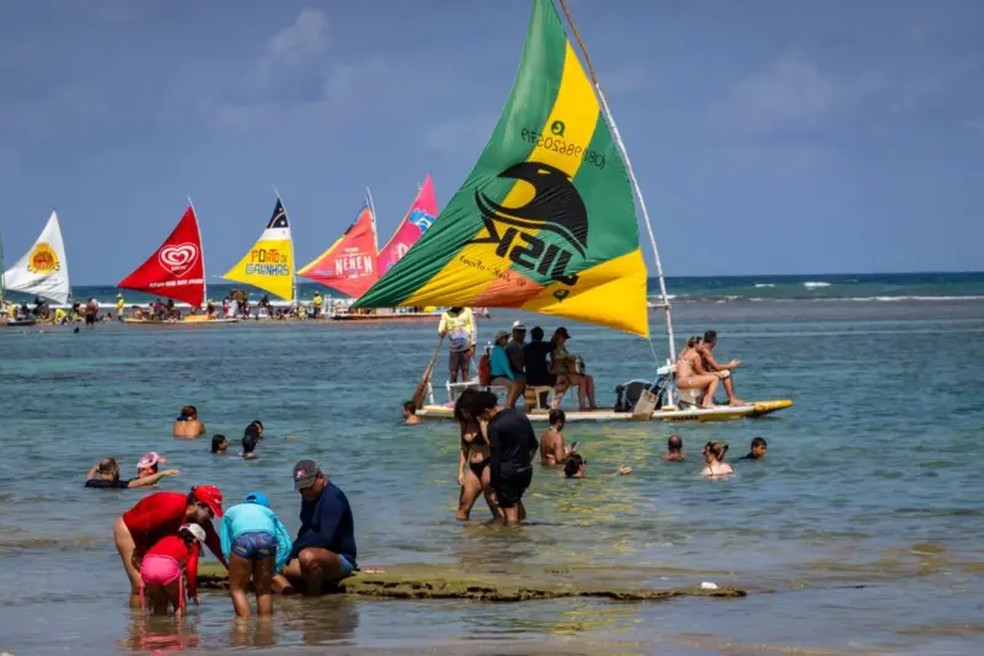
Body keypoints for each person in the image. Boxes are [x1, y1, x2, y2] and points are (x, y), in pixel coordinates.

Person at [114, 486, 227, 608]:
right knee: (140, 585)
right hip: (131, 530)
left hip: (152, 534)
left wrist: (231, 567)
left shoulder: (201, 522)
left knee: (163, 584)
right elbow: (144, 527)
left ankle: (159, 622)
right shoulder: (173, 506)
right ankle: (138, 623)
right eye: (210, 513)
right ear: (198, 504)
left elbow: (217, 546)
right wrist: (141, 555)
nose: (211, 518)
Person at [276, 460, 357, 595]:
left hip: (341, 559)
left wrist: (292, 551)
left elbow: (325, 538)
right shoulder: (309, 497)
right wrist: (285, 551)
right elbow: (307, 531)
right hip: (314, 558)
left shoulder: (332, 498)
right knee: (267, 562)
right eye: (302, 488)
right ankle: (295, 598)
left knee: (307, 556)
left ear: (320, 477)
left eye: (308, 486)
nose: (305, 492)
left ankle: (313, 598)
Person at [460, 390, 537, 526]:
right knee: (516, 508)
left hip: (506, 473)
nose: (483, 420)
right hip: (525, 471)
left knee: (511, 519)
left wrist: (494, 486)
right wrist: (525, 463)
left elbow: (495, 457)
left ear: (486, 410)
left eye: (482, 416)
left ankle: (515, 546)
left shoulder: (494, 426)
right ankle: (522, 542)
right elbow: (534, 445)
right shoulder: (520, 415)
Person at [220, 492, 293, 617]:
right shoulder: (268, 513)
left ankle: (244, 626)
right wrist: (275, 567)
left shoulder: (231, 512)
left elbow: (225, 543)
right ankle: (265, 628)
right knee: (264, 590)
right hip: (266, 542)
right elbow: (286, 544)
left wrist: (231, 563)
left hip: (242, 543)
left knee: (237, 590)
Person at [140, 523, 205, 616]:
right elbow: (191, 571)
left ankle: (155, 628)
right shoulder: (192, 547)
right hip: (167, 570)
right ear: (196, 540)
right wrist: (192, 591)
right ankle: (178, 629)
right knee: (179, 605)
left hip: (147, 568)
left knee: (159, 606)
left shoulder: (167, 538)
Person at [453, 389, 499, 522]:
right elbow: (464, 447)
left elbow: (490, 443)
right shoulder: (464, 423)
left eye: (467, 411)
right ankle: (462, 538)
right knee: (463, 506)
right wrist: (460, 471)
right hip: (473, 467)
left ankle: (501, 537)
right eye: (462, 411)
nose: (465, 414)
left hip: (488, 463)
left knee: (494, 506)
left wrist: (482, 424)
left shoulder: (485, 421)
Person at [549, 327, 597, 410]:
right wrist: (567, 356)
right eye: (563, 338)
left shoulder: (562, 346)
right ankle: (582, 406)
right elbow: (555, 357)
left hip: (566, 372)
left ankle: (592, 404)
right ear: (558, 336)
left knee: (589, 378)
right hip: (558, 374)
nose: (565, 340)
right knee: (582, 380)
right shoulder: (553, 346)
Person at [697, 330, 745, 406]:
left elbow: (712, 367)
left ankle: (732, 399)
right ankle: (732, 400)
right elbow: (717, 367)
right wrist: (731, 365)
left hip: (700, 374)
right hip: (699, 376)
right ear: (714, 340)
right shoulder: (706, 351)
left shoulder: (702, 348)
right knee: (726, 373)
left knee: (724, 371)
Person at [523, 326, 567, 408]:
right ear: (542, 336)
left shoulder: (525, 348)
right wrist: (554, 338)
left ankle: (542, 403)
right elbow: (553, 345)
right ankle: (555, 401)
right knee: (563, 380)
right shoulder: (543, 346)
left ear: (531, 336)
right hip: (542, 379)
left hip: (529, 379)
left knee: (548, 380)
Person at [674, 336, 722, 409]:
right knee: (714, 379)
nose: (703, 346)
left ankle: (703, 401)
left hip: (678, 382)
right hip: (687, 381)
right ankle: (708, 402)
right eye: (701, 344)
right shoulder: (695, 355)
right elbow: (701, 372)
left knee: (707, 380)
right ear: (695, 345)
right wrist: (715, 374)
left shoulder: (682, 355)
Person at [438, 306, 476, 385]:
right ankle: (452, 395)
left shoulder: (467, 311)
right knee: (454, 373)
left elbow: (473, 330)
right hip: (454, 347)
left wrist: (472, 346)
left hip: (466, 345)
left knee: (465, 371)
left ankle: (466, 393)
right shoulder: (445, 315)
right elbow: (440, 330)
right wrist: (442, 332)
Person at [85, 457, 180, 489]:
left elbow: (89, 477)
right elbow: (142, 482)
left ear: (101, 472)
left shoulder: (91, 483)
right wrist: (162, 473)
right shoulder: (117, 485)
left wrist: (94, 469)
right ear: (114, 472)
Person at [489, 330, 525, 408]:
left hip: (501, 377)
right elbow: (505, 367)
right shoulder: (499, 351)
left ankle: (510, 403)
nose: (507, 340)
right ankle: (508, 405)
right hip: (496, 378)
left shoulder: (500, 350)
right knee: (514, 384)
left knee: (517, 383)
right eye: (505, 338)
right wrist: (512, 378)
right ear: (500, 340)